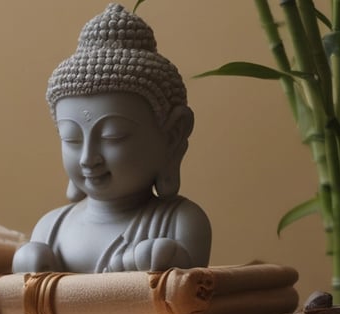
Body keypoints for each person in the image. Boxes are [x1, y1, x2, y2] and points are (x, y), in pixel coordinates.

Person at [12, 3, 211, 274]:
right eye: (71, 138)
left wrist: (168, 259)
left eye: (112, 136)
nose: (87, 158)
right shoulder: (50, 228)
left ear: (173, 135)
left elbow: (187, 293)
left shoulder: (180, 221)